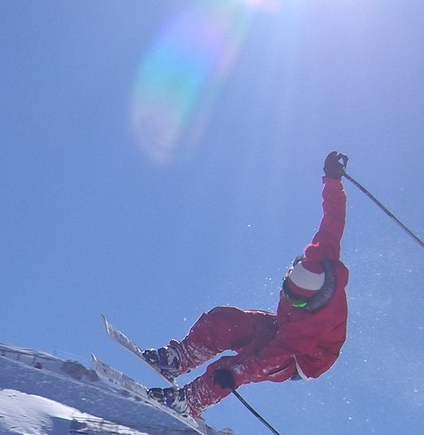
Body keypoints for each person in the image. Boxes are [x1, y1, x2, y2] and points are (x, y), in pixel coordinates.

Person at [142, 151, 352, 419]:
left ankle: (191, 401)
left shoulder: (310, 325)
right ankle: (181, 357)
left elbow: (269, 358)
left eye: (298, 301)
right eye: (287, 291)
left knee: (240, 364)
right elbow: (333, 219)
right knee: (229, 321)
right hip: (283, 327)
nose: (290, 300)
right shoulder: (321, 255)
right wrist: (332, 179)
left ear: (314, 299)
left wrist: (234, 376)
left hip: (302, 357)